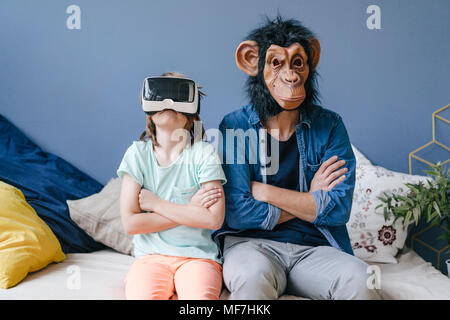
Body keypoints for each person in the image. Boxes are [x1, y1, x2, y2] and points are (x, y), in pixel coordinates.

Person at [212, 17, 379, 300]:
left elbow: (337, 209)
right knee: (251, 282)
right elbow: (238, 212)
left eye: (297, 63)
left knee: (363, 280)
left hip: (316, 248)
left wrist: (264, 191)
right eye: (277, 63)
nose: (290, 76)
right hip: (251, 246)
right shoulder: (235, 125)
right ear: (253, 61)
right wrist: (310, 200)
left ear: (310, 61)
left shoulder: (330, 125)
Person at [118, 72, 226, 300]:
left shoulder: (204, 154)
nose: (170, 103)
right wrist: (190, 208)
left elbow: (213, 219)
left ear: (192, 113)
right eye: (162, 94)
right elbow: (131, 224)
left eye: (179, 95)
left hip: (198, 258)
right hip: (150, 258)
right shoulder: (137, 154)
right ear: (148, 109)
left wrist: (156, 204)